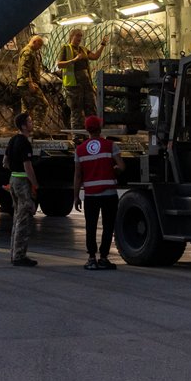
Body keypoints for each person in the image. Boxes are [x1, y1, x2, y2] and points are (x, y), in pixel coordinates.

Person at [73, 115, 125, 270]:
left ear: (87, 130)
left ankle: (91, 258)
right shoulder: (110, 145)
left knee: (91, 226)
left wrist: (76, 197)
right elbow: (122, 166)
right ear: (100, 128)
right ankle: (103, 257)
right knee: (108, 226)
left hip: (90, 195)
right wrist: (114, 168)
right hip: (109, 194)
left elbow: (77, 176)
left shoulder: (80, 150)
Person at [6, 111, 39, 266]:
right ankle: (19, 256)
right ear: (24, 126)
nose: (32, 124)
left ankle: (14, 253)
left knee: (17, 218)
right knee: (24, 219)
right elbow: (28, 166)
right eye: (30, 122)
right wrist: (35, 183)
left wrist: (14, 170)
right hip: (22, 181)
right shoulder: (24, 142)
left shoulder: (12, 140)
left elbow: (4, 162)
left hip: (13, 179)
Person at [56, 28, 107, 129]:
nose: (79, 38)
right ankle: (77, 136)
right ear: (71, 36)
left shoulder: (83, 49)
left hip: (86, 84)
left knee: (91, 108)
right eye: (77, 35)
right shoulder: (65, 48)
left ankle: (92, 132)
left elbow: (95, 56)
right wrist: (74, 60)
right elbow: (59, 64)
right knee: (76, 110)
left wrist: (103, 45)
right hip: (74, 85)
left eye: (81, 36)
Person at [16, 35, 49, 129]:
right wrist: (30, 83)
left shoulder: (30, 52)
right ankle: (37, 128)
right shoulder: (28, 52)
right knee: (43, 104)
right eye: (39, 45)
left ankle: (24, 129)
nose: (39, 48)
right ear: (34, 42)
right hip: (27, 84)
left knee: (27, 109)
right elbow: (25, 69)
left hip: (23, 84)